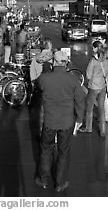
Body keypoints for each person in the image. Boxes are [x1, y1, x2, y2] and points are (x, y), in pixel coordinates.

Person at [35, 49, 85, 192]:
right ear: (65, 63)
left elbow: (38, 85)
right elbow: (80, 100)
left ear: (53, 62)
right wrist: (79, 119)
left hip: (50, 121)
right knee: (63, 152)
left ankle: (43, 180)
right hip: (66, 122)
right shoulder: (73, 80)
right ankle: (59, 183)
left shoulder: (45, 78)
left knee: (46, 150)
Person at [79, 40, 108, 137]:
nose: (92, 49)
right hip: (102, 86)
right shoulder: (106, 60)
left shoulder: (93, 61)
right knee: (101, 108)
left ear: (96, 48)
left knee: (89, 107)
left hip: (93, 86)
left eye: (93, 47)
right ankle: (102, 131)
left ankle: (88, 128)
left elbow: (88, 75)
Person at [95, 35, 108, 122]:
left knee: (103, 96)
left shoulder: (105, 50)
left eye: (100, 39)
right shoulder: (102, 49)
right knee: (102, 96)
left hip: (103, 76)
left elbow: (107, 64)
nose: (98, 40)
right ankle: (105, 114)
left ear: (104, 40)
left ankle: (106, 115)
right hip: (102, 76)